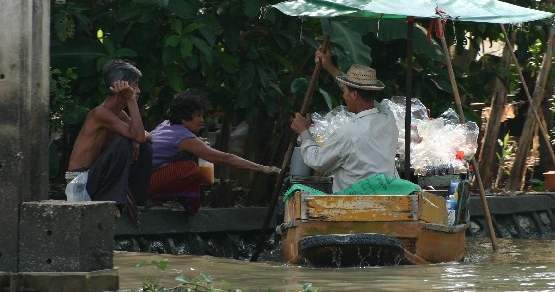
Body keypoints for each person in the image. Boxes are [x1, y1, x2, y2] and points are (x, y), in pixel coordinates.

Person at [149, 90, 280, 215]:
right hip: (143, 185)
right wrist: (263, 168)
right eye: (198, 116)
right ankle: (189, 207)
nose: (202, 120)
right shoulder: (185, 138)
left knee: (190, 160)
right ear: (183, 119)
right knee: (190, 168)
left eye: (202, 115)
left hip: (139, 180)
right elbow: (225, 158)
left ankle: (162, 200)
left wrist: (197, 143)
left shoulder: (165, 125)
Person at [290, 48, 399, 193]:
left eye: (345, 92)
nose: (344, 96)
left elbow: (317, 161)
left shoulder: (349, 133)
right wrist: (329, 66)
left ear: (354, 94)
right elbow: (356, 91)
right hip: (386, 198)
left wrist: (304, 131)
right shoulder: (387, 117)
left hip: (354, 205)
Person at [66, 59, 153, 215]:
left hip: (94, 177)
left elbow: (145, 136)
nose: (138, 91)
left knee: (145, 148)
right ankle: (112, 203)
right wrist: (131, 99)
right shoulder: (100, 113)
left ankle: (137, 203)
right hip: (80, 182)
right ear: (121, 87)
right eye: (134, 86)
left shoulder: (119, 114)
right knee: (123, 141)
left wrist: (137, 142)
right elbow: (138, 135)